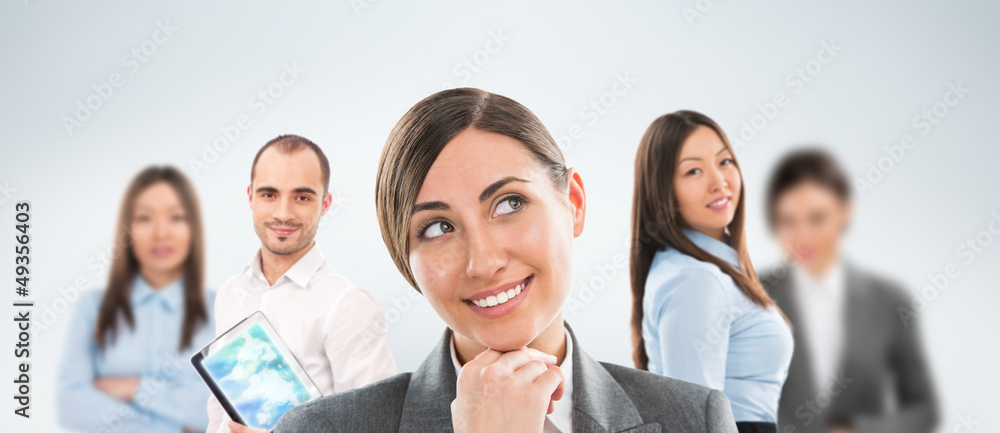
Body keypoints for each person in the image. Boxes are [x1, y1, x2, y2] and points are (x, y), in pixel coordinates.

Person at [275, 87, 737, 433]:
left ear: (573, 203)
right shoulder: (320, 430)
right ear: (406, 262)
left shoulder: (695, 419)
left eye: (510, 203)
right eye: (437, 228)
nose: (484, 262)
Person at [208, 134, 396, 433]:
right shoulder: (231, 293)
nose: (283, 213)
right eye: (269, 194)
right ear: (250, 197)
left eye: (302, 197)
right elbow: (219, 413)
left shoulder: (349, 306)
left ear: (325, 204)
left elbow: (377, 427)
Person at [629, 110, 793, 433]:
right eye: (693, 171)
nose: (719, 182)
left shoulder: (711, 268)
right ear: (663, 191)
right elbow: (693, 420)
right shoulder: (695, 280)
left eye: (725, 161)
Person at [760, 148, 939, 433]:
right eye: (787, 221)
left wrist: (860, 431)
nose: (802, 235)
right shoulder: (752, 295)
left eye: (817, 218)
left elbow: (923, 409)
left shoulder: (888, 302)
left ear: (845, 212)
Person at [57, 165, 216, 432]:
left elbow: (221, 409)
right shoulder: (93, 308)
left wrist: (136, 388)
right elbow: (72, 406)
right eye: (144, 218)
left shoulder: (221, 309)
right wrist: (176, 422)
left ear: (193, 228)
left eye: (176, 217)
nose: (161, 233)